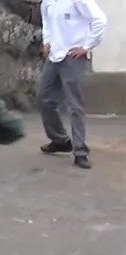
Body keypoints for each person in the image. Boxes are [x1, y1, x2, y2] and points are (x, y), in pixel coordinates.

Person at [38, 0, 107, 169]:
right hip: (54, 56)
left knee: (74, 105)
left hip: (73, 57)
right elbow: (46, 22)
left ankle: (80, 151)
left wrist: (86, 46)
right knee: (44, 99)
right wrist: (47, 41)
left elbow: (100, 20)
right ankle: (60, 140)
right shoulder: (47, 2)